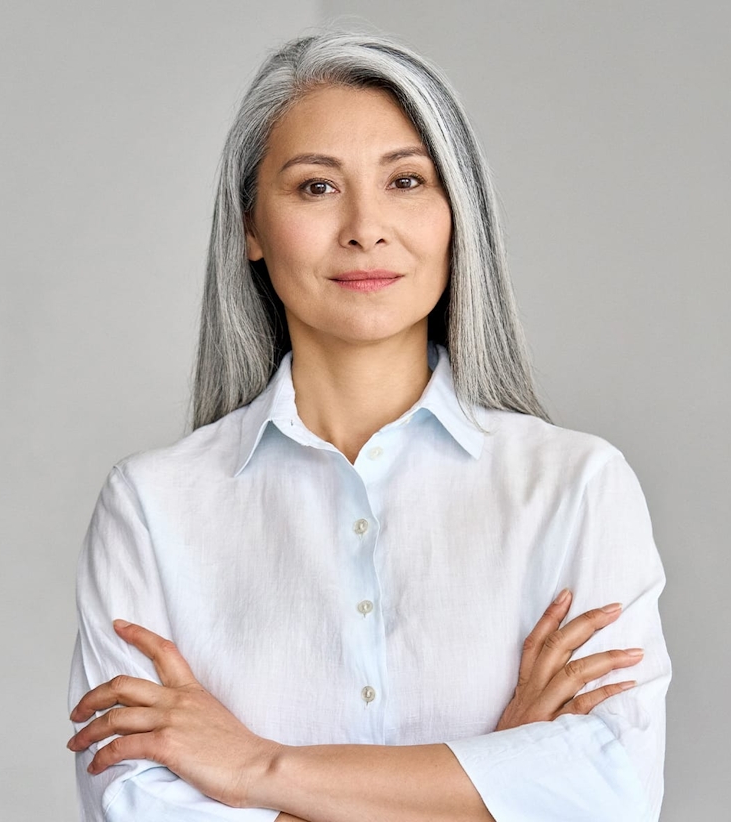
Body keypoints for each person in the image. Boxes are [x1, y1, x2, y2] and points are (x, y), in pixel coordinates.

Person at [67, 30, 671, 822]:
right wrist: (494, 782)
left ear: (458, 214)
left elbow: (611, 795)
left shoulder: (577, 487)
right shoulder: (152, 507)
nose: (365, 227)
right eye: (316, 188)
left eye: (407, 181)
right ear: (251, 225)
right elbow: (139, 811)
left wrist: (257, 768)